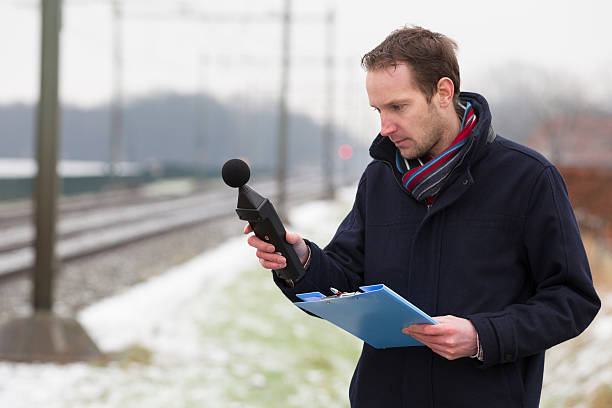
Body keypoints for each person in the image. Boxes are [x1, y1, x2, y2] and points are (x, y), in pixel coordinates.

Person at [244, 26, 600, 407]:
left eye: (398, 107)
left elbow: (571, 299)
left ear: (443, 93)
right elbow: (346, 278)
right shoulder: (379, 179)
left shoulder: (528, 179)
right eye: (378, 110)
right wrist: (303, 262)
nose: (385, 126)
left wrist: (483, 336)